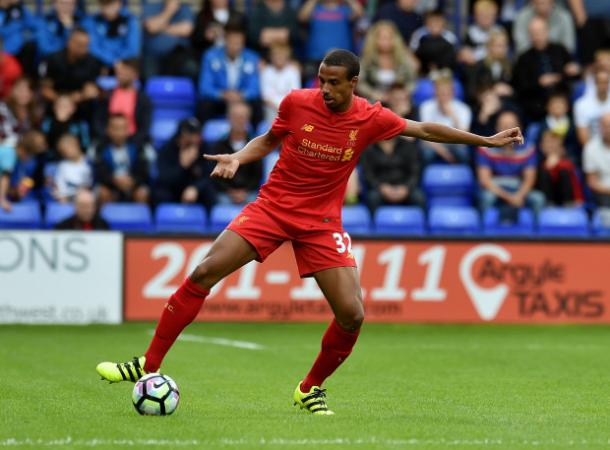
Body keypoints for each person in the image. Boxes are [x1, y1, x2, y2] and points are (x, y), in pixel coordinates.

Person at [96, 49, 523, 415]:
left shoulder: (371, 117)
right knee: (205, 271)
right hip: (273, 208)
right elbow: (268, 139)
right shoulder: (297, 103)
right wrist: (238, 158)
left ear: (353, 83)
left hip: (321, 223)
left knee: (353, 314)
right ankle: (148, 364)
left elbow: (425, 129)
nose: (324, 89)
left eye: (334, 83)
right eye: (321, 80)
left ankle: (308, 389)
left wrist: (485, 141)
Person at [477, 110, 545, 214]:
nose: (507, 130)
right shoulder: (486, 148)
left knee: (538, 198)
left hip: (519, 188)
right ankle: (483, 228)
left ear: (519, 128)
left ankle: (537, 229)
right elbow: (485, 181)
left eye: (511, 126)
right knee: (486, 197)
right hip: (495, 189)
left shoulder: (528, 149)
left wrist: (518, 196)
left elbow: (529, 180)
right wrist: (509, 198)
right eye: (503, 126)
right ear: (497, 128)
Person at [210, 101, 262, 205]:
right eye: (236, 117)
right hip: (225, 193)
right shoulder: (219, 145)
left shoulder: (255, 145)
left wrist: (245, 192)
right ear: (229, 118)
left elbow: (257, 174)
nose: (240, 121)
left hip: (249, 193)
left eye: (243, 117)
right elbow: (215, 175)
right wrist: (230, 191)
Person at [536, 130, 583, 207]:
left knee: (563, 173)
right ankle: (548, 204)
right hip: (546, 199)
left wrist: (579, 199)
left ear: (562, 149)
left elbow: (575, 184)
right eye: (548, 143)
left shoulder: (567, 164)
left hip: (566, 199)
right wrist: (547, 166)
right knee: (544, 174)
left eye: (555, 144)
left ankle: (568, 204)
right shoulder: (538, 164)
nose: (551, 146)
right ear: (541, 146)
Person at [583, 112, 610, 207]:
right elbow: (592, 182)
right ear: (599, 127)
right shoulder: (590, 148)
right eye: (606, 126)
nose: (608, 130)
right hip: (603, 192)